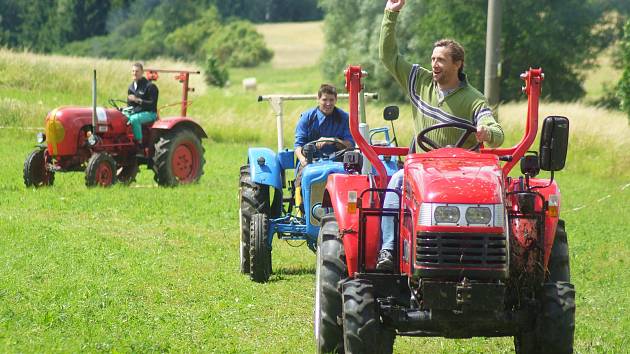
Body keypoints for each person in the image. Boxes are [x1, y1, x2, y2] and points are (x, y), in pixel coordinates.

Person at [376, 0, 504, 271]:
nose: (434, 64)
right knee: (394, 184)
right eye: (433, 59)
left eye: (441, 60)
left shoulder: (474, 100)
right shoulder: (419, 82)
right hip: (422, 170)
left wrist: (486, 132)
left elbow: (496, 132)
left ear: (457, 64)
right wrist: (391, 14)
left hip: (464, 174)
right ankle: (388, 249)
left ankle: (488, 258)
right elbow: (389, 57)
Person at [293, 84, 355, 211]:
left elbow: (350, 145)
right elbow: (298, 145)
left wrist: (332, 140)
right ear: (318, 99)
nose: (328, 103)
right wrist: (303, 160)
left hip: (337, 161)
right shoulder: (307, 118)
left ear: (336, 100)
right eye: (324, 100)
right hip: (311, 160)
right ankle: (301, 209)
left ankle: (346, 210)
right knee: (301, 177)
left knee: (354, 179)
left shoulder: (344, 118)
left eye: (331, 100)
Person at [124, 62, 159, 143]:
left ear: (142, 72)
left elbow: (152, 104)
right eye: (133, 71)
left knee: (134, 119)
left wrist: (137, 100)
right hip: (135, 112)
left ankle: (139, 142)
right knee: (120, 116)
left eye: (137, 71)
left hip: (150, 113)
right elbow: (129, 105)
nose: (134, 73)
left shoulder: (150, 86)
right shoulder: (131, 87)